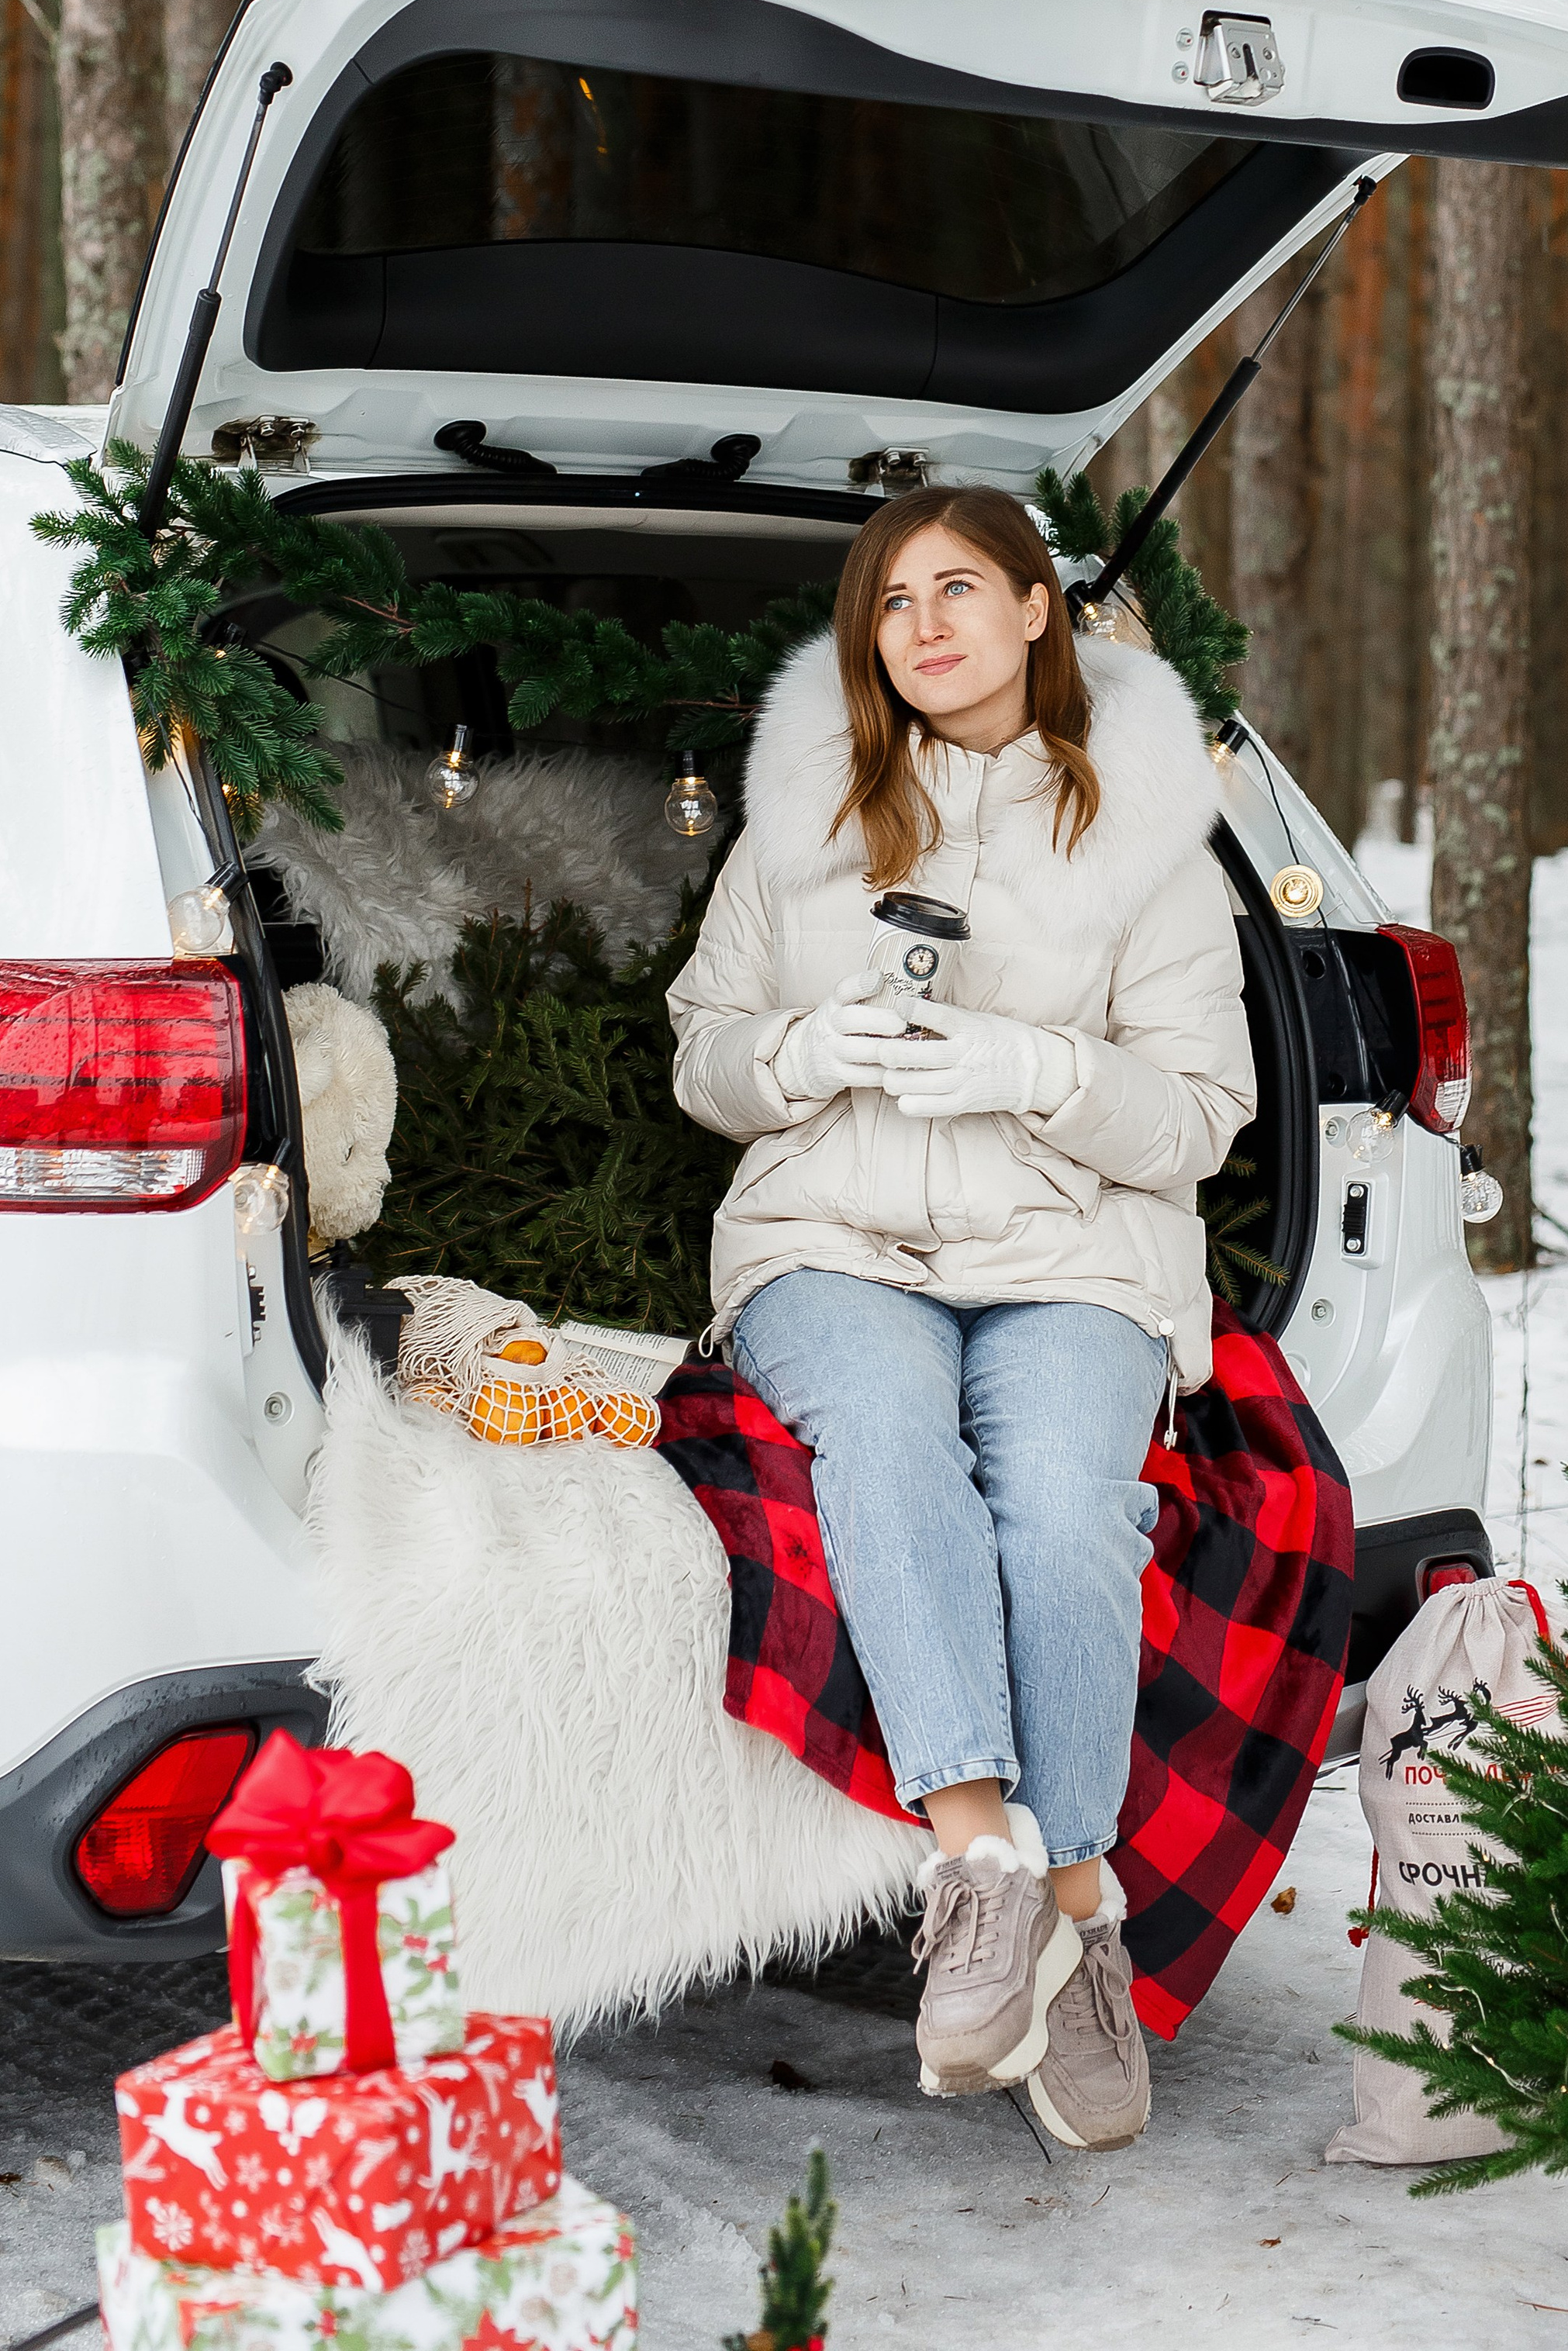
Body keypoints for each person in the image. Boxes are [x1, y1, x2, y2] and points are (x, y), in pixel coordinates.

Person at [666, 485, 1256, 2150]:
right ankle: (990, 1864)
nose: (922, 627)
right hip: (829, 1237)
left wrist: (1035, 1068)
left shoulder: (1144, 837)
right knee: (887, 1439)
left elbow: (1202, 1118)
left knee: (1064, 1506)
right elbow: (704, 1051)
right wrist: (801, 1053)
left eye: (958, 589)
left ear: (1037, 607)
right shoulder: (806, 813)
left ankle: (1077, 1912)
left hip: (1069, 1251)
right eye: (890, 601)